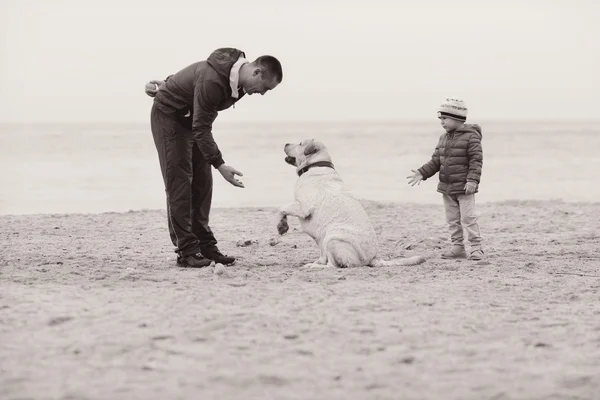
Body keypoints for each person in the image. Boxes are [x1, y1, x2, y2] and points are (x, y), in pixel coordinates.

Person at [145, 47, 283, 268]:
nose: (263, 93)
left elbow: (194, 83)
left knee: (202, 184)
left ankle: (206, 246)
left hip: (192, 120)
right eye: (265, 88)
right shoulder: (214, 81)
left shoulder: (239, 81)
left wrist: (168, 81)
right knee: (180, 183)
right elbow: (201, 125)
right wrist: (220, 164)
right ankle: (187, 251)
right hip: (169, 116)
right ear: (256, 72)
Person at [406, 97, 484, 261]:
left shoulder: (471, 137)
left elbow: (476, 161)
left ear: (457, 118)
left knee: (468, 218)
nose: (442, 122)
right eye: (440, 118)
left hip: (464, 188)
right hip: (447, 188)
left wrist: (472, 181)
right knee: (452, 220)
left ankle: (476, 248)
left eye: (444, 118)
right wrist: (422, 172)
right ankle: (458, 247)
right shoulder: (443, 138)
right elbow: (436, 161)